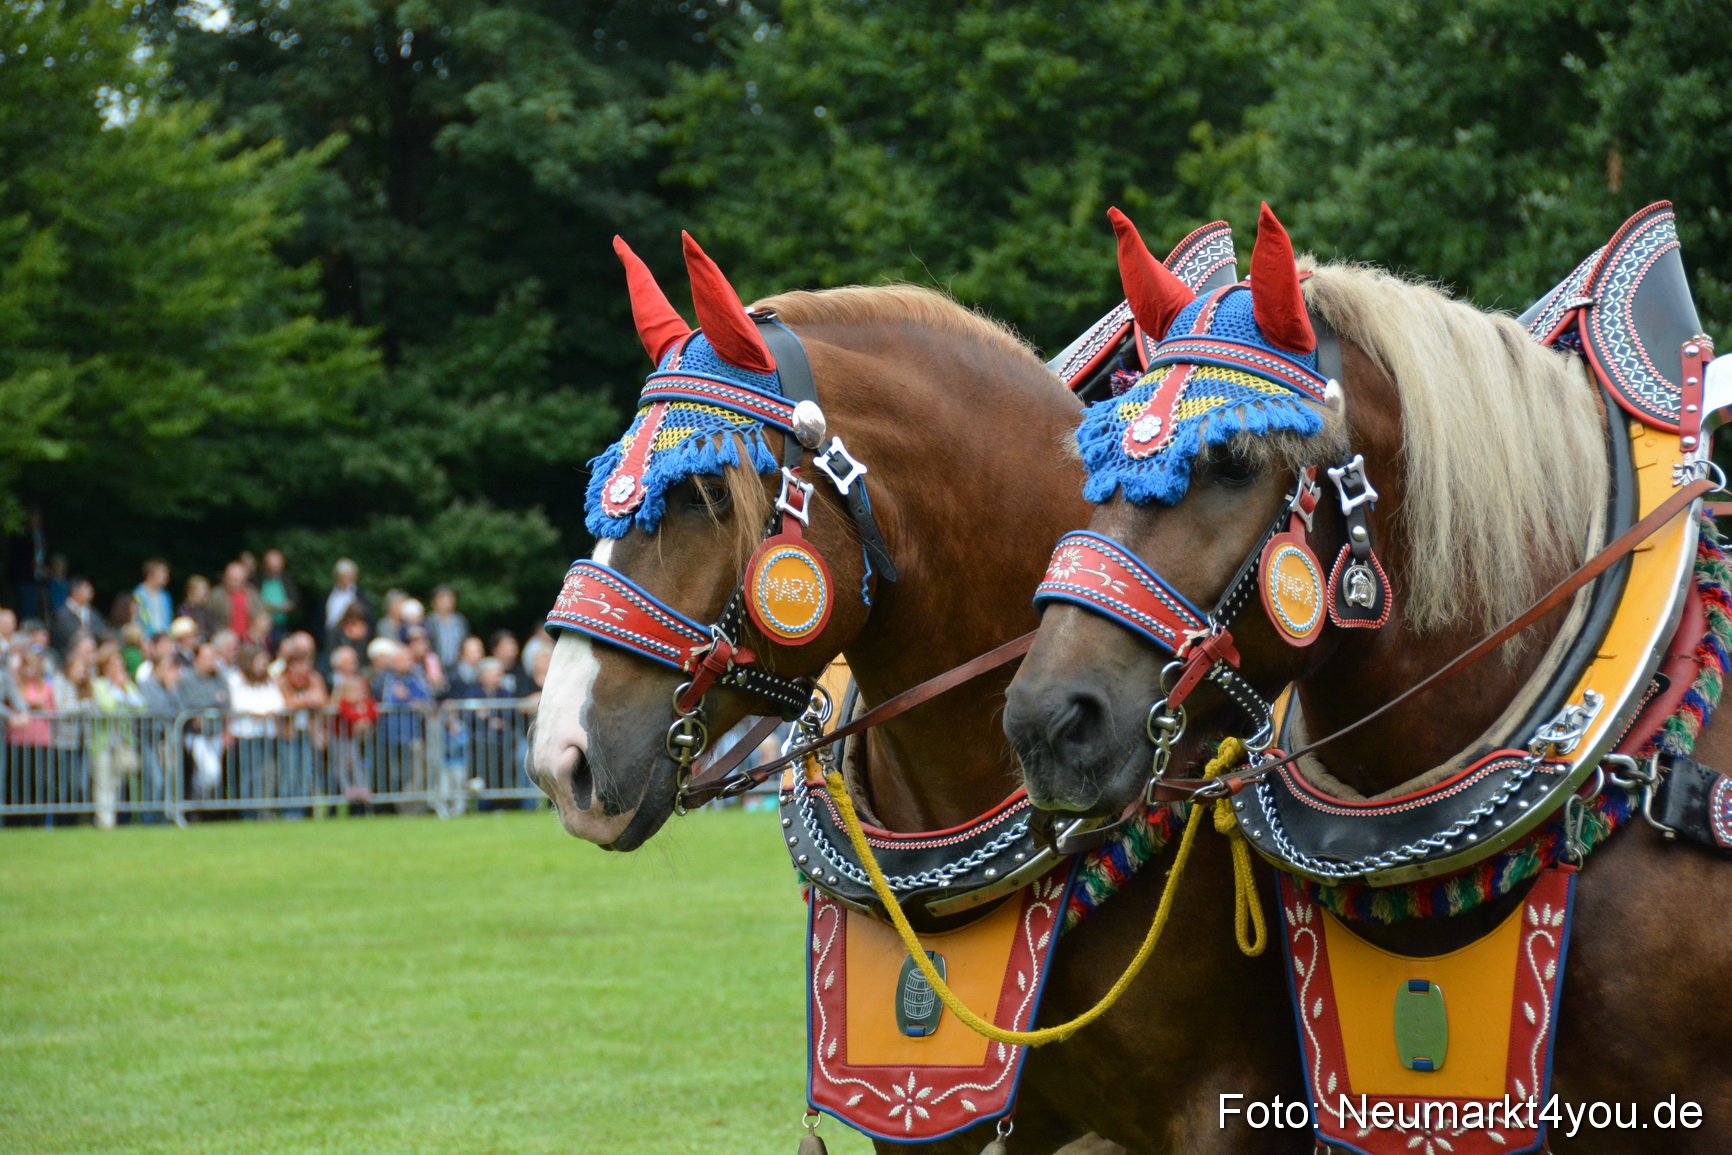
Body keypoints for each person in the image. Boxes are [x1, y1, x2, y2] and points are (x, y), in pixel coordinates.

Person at [371, 638, 430, 811]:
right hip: (386, 734)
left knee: (410, 774)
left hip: (411, 735)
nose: (409, 663)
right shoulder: (383, 678)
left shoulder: (416, 677)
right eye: (405, 659)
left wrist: (408, 698)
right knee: (389, 772)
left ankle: (405, 808)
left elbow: (427, 702)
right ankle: (386, 807)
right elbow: (377, 700)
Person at [226, 644, 284, 816]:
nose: (263, 663)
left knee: (267, 773)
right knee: (248, 774)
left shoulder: (268, 680)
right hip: (245, 733)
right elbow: (237, 703)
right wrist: (258, 712)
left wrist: (269, 712)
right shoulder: (236, 679)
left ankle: (264, 809)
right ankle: (248, 812)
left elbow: (278, 702)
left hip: (266, 733)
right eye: (260, 660)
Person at [90, 644, 144, 829]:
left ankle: (111, 819)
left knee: (116, 782)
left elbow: (141, 707)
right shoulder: (99, 685)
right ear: (106, 667)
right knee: (103, 781)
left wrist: (126, 690)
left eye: (120, 665)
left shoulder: (126, 685)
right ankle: (105, 822)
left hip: (122, 740)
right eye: (115, 665)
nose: (119, 669)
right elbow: (108, 707)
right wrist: (116, 688)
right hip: (103, 742)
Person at [275, 637, 328, 814]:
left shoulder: (314, 679)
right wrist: (306, 701)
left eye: (307, 664)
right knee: (289, 775)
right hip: (288, 734)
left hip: (307, 733)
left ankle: (303, 811)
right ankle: (289, 813)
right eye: (301, 665)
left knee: (306, 774)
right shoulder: (281, 680)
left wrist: (301, 702)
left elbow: (321, 700)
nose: (306, 669)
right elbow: (285, 704)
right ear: (291, 666)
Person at [4, 651, 55, 816]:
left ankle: (39, 820)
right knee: (18, 782)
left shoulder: (45, 687)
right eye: (28, 666)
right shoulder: (14, 684)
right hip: (18, 739)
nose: (31, 670)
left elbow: (53, 711)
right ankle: (17, 821)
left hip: (41, 740)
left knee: (40, 782)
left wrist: (40, 707)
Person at [178, 643, 229, 803]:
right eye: (207, 658)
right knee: (210, 771)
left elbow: (226, 700)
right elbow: (192, 703)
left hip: (215, 731)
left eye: (213, 658)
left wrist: (219, 676)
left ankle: (200, 807)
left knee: (214, 774)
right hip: (196, 735)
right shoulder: (187, 679)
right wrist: (214, 700)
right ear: (196, 660)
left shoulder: (218, 677)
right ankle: (193, 800)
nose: (211, 662)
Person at [137, 653, 182, 823]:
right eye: (166, 668)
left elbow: (181, 711)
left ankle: (163, 816)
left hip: (166, 739)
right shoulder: (146, 685)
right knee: (155, 779)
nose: (170, 672)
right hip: (149, 737)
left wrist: (171, 689)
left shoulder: (171, 687)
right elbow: (156, 709)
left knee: (168, 778)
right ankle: (149, 818)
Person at [331, 666, 376, 806]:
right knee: (340, 765)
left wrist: (365, 719)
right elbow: (347, 714)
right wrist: (359, 718)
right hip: (339, 739)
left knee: (356, 763)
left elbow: (373, 710)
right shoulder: (343, 703)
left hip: (354, 740)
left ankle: (361, 787)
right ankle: (347, 788)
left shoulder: (363, 703)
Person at [52, 576, 111, 657]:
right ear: (76, 590)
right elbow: (69, 635)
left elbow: (103, 630)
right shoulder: (62, 613)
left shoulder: (92, 612)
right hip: (69, 655)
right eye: (87, 588)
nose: (91, 591)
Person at [323, 559, 373, 649]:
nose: (345, 580)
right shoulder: (327, 595)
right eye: (342, 577)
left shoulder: (360, 595)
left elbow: (368, 618)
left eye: (348, 577)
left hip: (353, 640)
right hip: (329, 638)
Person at [219, 562, 266, 644]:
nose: (235, 582)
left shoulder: (252, 594)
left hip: (248, 637)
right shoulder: (216, 595)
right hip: (225, 638)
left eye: (238, 579)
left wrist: (256, 630)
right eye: (232, 579)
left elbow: (261, 615)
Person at [426, 587, 469, 670]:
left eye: (449, 599)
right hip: (435, 667)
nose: (446, 602)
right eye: (442, 599)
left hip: (457, 667)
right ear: (433, 602)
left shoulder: (460, 621)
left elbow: (465, 642)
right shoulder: (429, 622)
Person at [259, 549, 300, 635]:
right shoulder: (258, 580)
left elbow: (295, 601)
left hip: (282, 626)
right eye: (272, 567)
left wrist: (284, 607)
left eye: (277, 567)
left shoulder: (286, 580)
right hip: (261, 625)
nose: (275, 570)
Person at [132, 559, 174, 639]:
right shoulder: (139, 594)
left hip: (163, 638)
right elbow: (137, 619)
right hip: (146, 638)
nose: (166, 576)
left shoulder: (165, 596)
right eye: (162, 572)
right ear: (150, 574)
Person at [179, 575, 219, 641]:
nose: (204, 594)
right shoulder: (184, 609)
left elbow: (212, 629)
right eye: (201, 591)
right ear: (191, 592)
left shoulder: (206, 609)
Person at [489, 630, 527, 696]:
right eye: (506, 645)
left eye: (513, 644)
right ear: (495, 650)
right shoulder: (488, 670)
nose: (511, 648)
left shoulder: (521, 671)